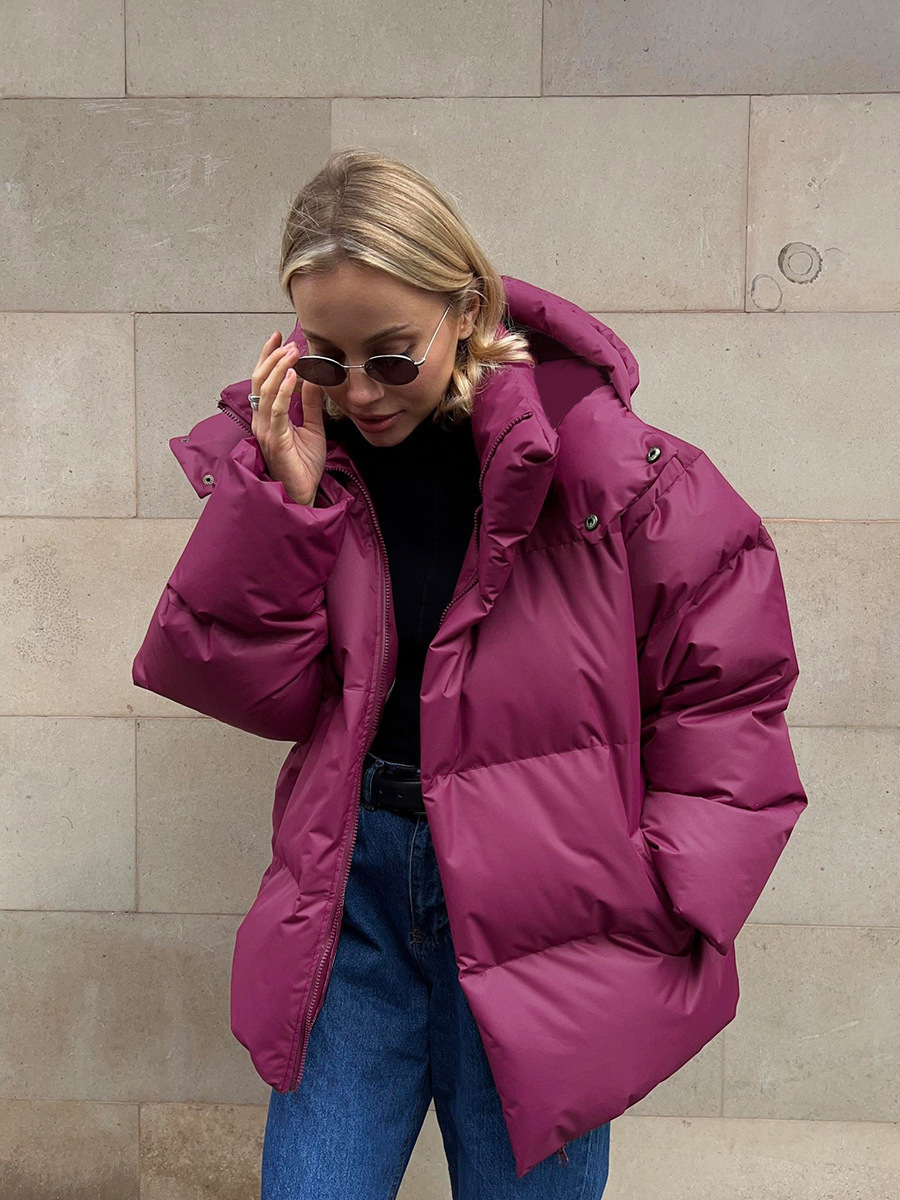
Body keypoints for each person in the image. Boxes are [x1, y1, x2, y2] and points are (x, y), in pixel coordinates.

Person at [132, 148, 807, 1198]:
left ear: (466, 309)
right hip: (356, 894)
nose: (361, 392)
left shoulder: (609, 471)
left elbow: (730, 694)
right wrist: (285, 512)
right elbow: (259, 692)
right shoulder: (305, 460)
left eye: (392, 357)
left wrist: (663, 897)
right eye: (326, 359)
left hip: (551, 912)